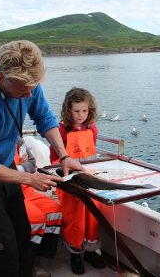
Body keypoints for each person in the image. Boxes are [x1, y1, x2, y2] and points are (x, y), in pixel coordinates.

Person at [0, 40, 84, 277]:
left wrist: (64, 156)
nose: (30, 94)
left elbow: (44, 117)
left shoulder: (28, 82)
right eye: (22, 90)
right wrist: (29, 179)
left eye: (33, 86)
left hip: (4, 161)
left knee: (21, 231)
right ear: (0, 78)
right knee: (2, 243)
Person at [50, 87, 105, 275]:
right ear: (68, 109)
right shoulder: (61, 130)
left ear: (90, 110)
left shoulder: (92, 129)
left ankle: (90, 251)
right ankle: (75, 253)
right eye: (76, 111)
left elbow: (93, 154)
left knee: (92, 218)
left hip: (88, 179)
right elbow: (53, 159)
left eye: (84, 111)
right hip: (68, 182)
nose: (81, 115)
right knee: (75, 219)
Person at [15, 137, 62, 277]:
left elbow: (32, 163)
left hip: (25, 186)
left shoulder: (17, 141)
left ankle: (36, 258)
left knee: (54, 210)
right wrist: (22, 168)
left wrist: (21, 168)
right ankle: (24, 264)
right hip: (7, 191)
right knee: (36, 219)